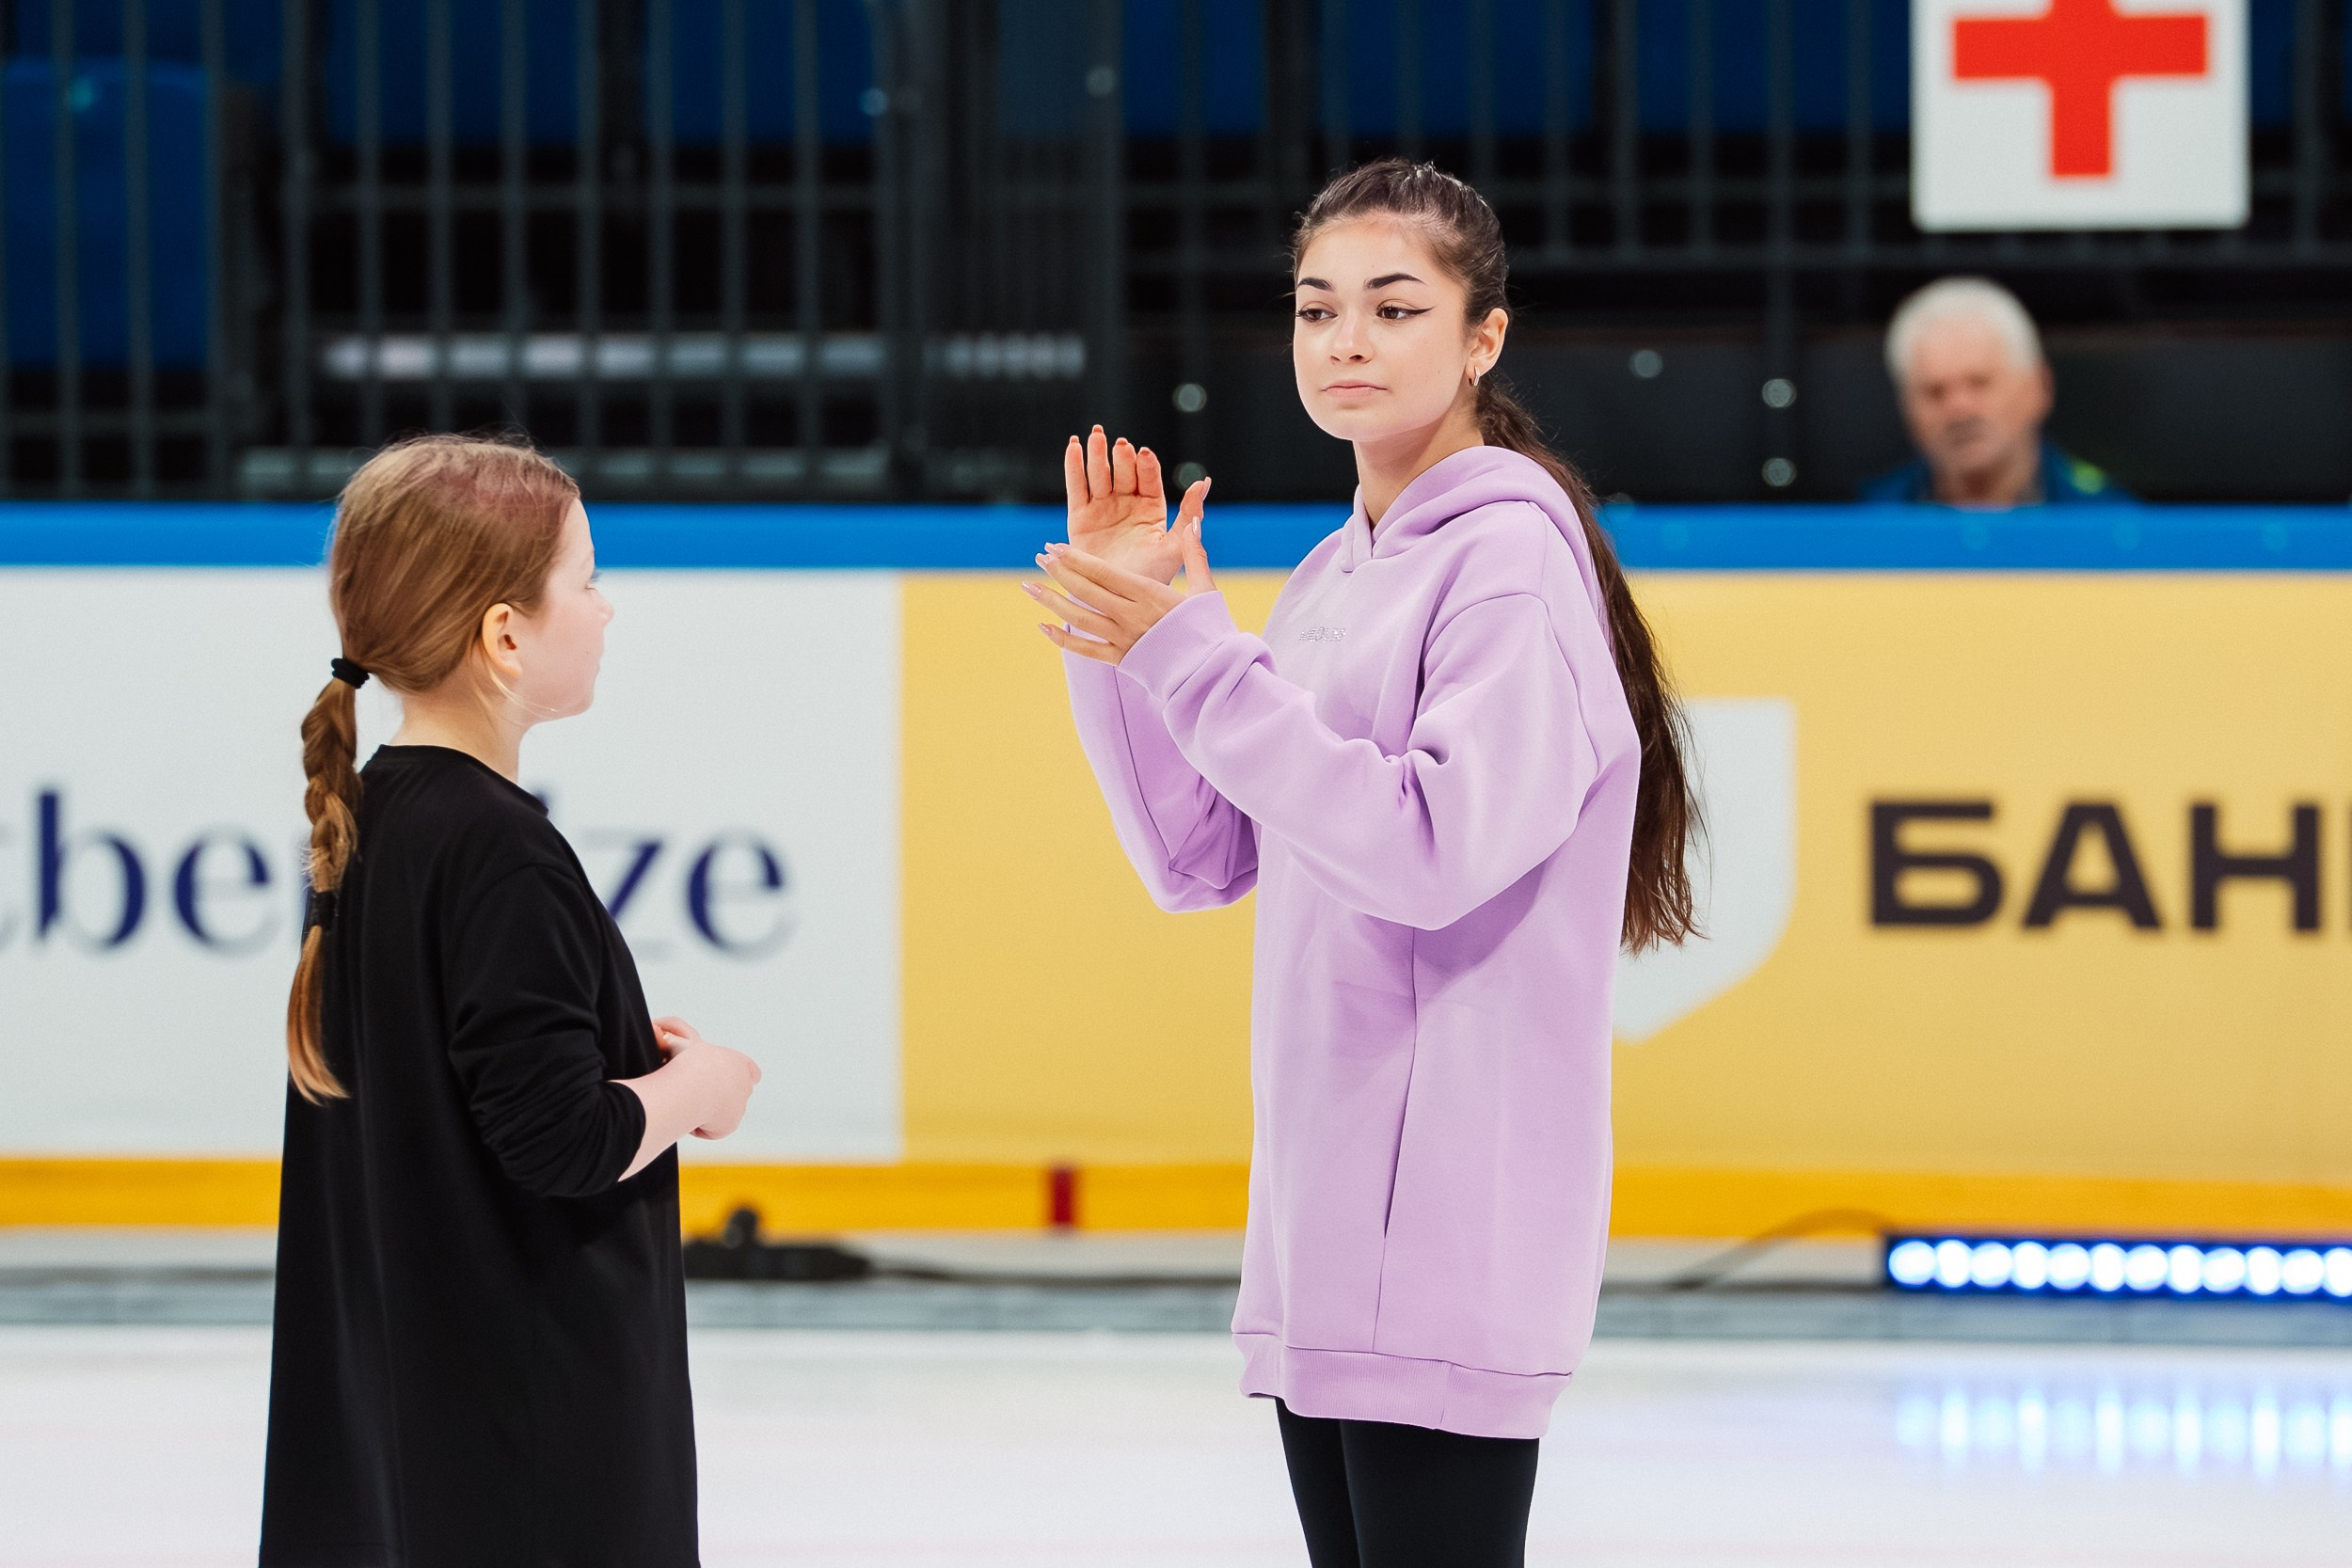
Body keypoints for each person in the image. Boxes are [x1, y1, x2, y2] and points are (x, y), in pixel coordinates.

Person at [1027, 160, 1697, 1567]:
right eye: (1317, 307)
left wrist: (1190, 654)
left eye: (1396, 308)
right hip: (1324, 1218)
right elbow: (1198, 856)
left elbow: (1430, 849)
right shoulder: (1338, 572)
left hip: (1450, 1217)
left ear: (1481, 339)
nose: (1346, 339)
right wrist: (1134, 635)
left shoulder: (1510, 563)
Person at [260, 435, 762, 1568]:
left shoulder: (377, 819)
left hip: (425, 1419)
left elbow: (475, 1087)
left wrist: (631, 1059)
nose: (607, 609)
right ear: (503, 634)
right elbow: (558, 1137)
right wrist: (698, 1086)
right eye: (586, 582)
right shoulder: (497, 852)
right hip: (525, 1437)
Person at [1863, 276, 2124, 506]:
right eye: (1935, 392)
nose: (1959, 408)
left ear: (2038, 387)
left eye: (1979, 383)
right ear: (1907, 407)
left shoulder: (2112, 524)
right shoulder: (1865, 530)